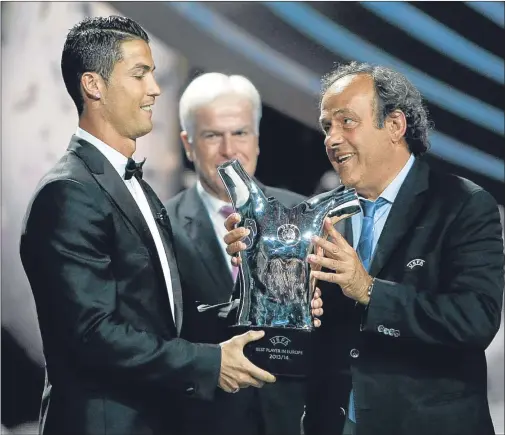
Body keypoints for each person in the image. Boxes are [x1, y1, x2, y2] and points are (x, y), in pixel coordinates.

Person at [19, 17, 279, 435]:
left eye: (153, 74)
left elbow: (157, 317)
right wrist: (210, 363)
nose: (155, 89)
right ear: (94, 85)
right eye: (140, 74)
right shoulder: (69, 192)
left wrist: (268, 289)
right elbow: (92, 333)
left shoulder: (134, 186)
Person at [224, 61, 504, 435]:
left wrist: (369, 290)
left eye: (346, 121)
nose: (331, 138)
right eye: (327, 126)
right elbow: (291, 329)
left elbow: (475, 320)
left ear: (395, 126)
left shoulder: (462, 204)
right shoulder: (320, 209)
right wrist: (260, 269)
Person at [165, 72, 312, 435]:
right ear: (188, 144)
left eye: (241, 133)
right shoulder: (160, 226)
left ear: (258, 139)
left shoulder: (306, 216)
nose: (229, 150)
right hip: (201, 422)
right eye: (213, 135)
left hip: (294, 420)